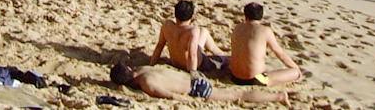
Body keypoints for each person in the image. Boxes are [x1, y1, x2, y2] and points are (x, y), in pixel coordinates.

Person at [109, 62, 287, 104]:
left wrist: (188, 101)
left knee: (237, 95)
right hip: (194, 78)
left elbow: (171, 95)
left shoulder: (146, 82)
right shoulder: (144, 69)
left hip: (196, 88)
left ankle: (278, 97)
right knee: (236, 92)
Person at [229, 2, 303, 87]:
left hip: (234, 77)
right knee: (295, 72)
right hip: (255, 79)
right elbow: (280, 53)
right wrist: (296, 68)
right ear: (261, 16)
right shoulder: (265, 31)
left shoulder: (238, 27)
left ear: (245, 15)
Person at [152, 0, 227, 73]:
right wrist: (193, 74)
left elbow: (159, 46)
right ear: (191, 17)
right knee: (220, 60)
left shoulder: (167, 25)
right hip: (196, 65)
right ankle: (223, 57)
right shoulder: (192, 31)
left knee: (204, 32)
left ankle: (221, 53)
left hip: (175, 63)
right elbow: (192, 55)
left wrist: (152, 64)